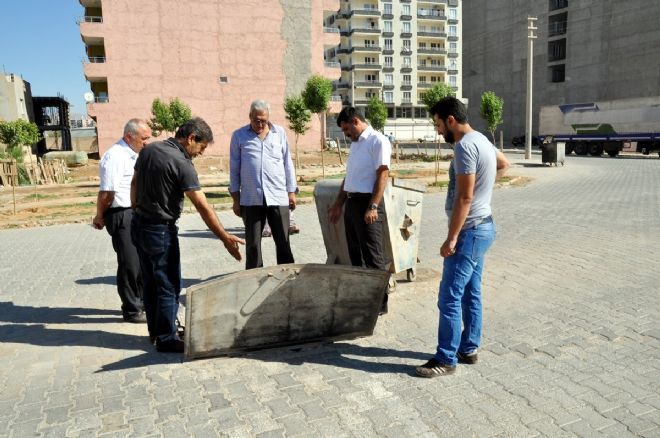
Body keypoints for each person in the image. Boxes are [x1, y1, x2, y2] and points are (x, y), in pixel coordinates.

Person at [131, 117, 244, 353]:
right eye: (201, 148)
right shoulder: (182, 164)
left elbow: (134, 183)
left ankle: (158, 330)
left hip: (140, 225)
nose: (200, 154)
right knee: (169, 284)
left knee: (151, 282)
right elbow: (203, 206)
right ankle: (167, 337)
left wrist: (137, 211)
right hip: (160, 230)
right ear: (191, 138)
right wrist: (225, 237)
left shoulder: (149, 150)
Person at [416, 97, 510, 378]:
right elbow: (504, 164)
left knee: (449, 297)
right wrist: (485, 188)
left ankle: (446, 359)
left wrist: (451, 238)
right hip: (483, 227)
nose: (438, 131)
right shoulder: (481, 139)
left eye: (438, 124)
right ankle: (468, 349)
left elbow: (465, 197)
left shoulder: (465, 146)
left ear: (451, 121)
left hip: (469, 232)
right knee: (471, 292)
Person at [328, 107, 392, 314]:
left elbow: (383, 174)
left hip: (368, 204)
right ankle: (363, 299)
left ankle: (379, 304)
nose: (346, 135)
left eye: (347, 130)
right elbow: (350, 178)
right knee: (356, 255)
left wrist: (373, 206)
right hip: (352, 203)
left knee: (373, 257)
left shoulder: (377, 141)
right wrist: (338, 203)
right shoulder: (356, 144)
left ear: (356, 121)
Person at [92, 119, 151, 323]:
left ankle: (142, 303)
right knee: (130, 264)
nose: (146, 142)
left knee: (141, 262)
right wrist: (99, 216)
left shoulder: (133, 154)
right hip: (121, 214)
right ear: (129, 136)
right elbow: (107, 193)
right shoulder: (115, 156)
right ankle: (132, 310)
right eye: (143, 138)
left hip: (136, 214)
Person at [229, 100, 297, 269]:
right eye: (256, 120)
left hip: (278, 196)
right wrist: (236, 200)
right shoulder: (239, 136)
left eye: (263, 120)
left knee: (283, 241)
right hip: (251, 199)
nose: (260, 124)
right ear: (250, 117)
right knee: (253, 245)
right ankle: (253, 278)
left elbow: (287, 163)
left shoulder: (279, 133)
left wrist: (291, 192)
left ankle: (287, 277)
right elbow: (234, 169)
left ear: (268, 118)